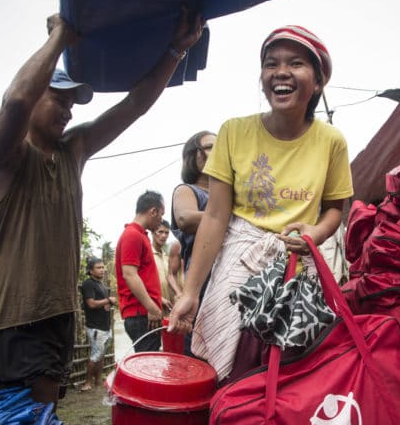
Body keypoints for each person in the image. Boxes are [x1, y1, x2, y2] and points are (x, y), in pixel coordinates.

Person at [0, 10, 204, 405]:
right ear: (35, 99)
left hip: (59, 313)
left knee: (44, 420)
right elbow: (15, 100)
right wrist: (61, 37)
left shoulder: (72, 151)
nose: (68, 109)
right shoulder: (3, 156)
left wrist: (175, 50)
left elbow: (134, 105)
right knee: (25, 422)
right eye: (58, 98)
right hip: (18, 317)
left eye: (72, 101)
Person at [169, 25, 353, 384]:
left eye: (295, 63)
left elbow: (335, 208)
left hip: (298, 266)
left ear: (317, 82)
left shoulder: (331, 141)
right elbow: (216, 217)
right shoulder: (234, 132)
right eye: (271, 64)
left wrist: (314, 232)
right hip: (240, 258)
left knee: (293, 369)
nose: (280, 72)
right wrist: (190, 291)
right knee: (232, 371)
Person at [115, 191, 167, 352]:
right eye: (161, 214)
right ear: (153, 211)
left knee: (149, 360)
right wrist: (151, 307)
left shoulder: (140, 235)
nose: (160, 221)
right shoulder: (133, 235)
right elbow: (129, 274)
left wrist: (159, 299)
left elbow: (143, 275)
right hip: (141, 314)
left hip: (144, 312)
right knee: (148, 365)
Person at [171, 130, 216, 273]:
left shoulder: (231, 195)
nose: (218, 151)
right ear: (193, 156)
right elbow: (186, 219)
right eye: (210, 147)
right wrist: (235, 217)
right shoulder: (187, 190)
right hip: (205, 276)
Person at [80, 257, 116, 391]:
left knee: (101, 355)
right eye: (98, 268)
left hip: (105, 325)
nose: (102, 270)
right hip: (95, 327)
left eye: (102, 267)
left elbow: (103, 304)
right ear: (90, 270)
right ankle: (87, 383)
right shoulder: (88, 284)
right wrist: (108, 300)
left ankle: (98, 381)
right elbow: (91, 303)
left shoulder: (101, 284)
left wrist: (108, 303)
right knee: (95, 355)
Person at [151, 220, 175, 313]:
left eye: (166, 232)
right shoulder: (147, 255)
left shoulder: (166, 258)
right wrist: (158, 299)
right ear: (152, 233)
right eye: (160, 232)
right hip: (152, 309)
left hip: (167, 310)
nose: (164, 235)